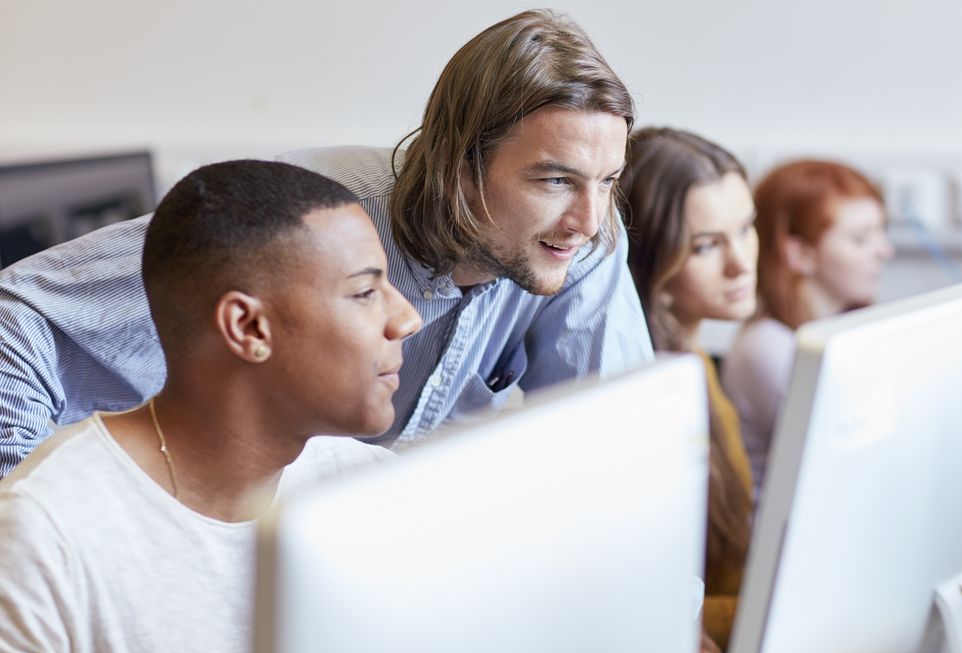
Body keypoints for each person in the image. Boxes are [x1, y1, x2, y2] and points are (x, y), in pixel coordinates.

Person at [0, 9, 651, 475]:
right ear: (461, 165)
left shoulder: (581, 243)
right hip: (154, 526)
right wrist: (36, 521)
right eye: (555, 180)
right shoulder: (309, 216)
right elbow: (13, 319)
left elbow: (621, 461)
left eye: (609, 181)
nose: (589, 219)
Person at [0, 159, 422, 653]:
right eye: (366, 293)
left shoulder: (369, 493)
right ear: (248, 328)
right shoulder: (45, 531)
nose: (407, 318)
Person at [619, 127, 757, 653]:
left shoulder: (696, 363)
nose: (741, 262)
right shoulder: (648, 395)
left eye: (746, 229)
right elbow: (656, 619)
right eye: (706, 246)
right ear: (648, 259)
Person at [721, 159, 894, 490]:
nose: (885, 250)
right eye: (860, 239)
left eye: (881, 232)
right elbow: (859, 464)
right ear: (799, 253)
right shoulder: (767, 347)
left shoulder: (844, 332)